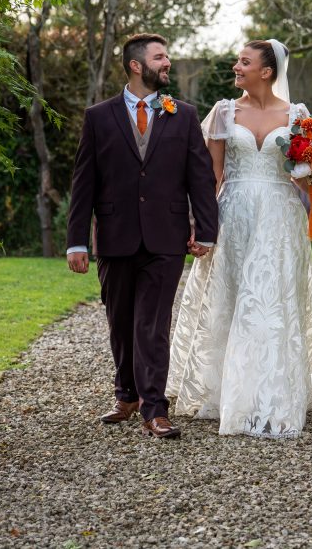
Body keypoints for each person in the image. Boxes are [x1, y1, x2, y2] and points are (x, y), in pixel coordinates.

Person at [167, 39, 312, 438]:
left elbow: (308, 171)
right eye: (237, 60)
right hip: (234, 212)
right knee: (232, 296)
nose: (236, 66)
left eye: (244, 61)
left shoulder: (298, 115)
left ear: (267, 71)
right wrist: (198, 224)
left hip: (279, 215)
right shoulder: (223, 112)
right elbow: (212, 176)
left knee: (271, 298)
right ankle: (226, 391)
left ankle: (270, 394)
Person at [66, 33, 219, 440]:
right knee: (120, 321)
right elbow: (84, 182)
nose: (167, 63)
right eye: (160, 57)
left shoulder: (183, 114)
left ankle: (155, 407)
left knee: (152, 324)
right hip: (115, 236)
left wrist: (206, 230)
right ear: (137, 65)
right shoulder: (98, 117)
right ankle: (127, 395)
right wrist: (77, 240)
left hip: (165, 238)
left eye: (167, 56)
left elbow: (199, 177)